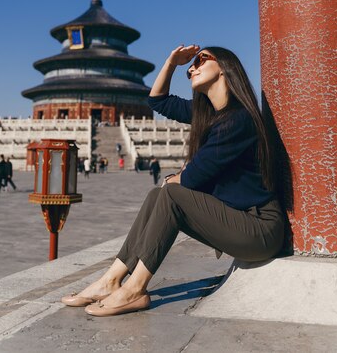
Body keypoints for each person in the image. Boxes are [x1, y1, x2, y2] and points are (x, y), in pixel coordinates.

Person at [61, 44, 284, 317]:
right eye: (190, 66)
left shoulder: (238, 120)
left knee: (171, 194)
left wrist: (175, 179)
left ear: (225, 66)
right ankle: (110, 280)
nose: (192, 68)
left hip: (259, 228)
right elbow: (157, 101)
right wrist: (170, 62)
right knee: (159, 194)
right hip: (238, 220)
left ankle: (135, 289)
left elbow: (191, 179)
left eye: (201, 60)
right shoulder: (209, 115)